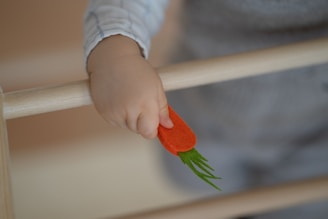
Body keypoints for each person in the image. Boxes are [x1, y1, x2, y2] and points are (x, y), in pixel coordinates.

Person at [84, 1, 328, 218]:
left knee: (300, 207)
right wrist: (117, 52)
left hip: (314, 134)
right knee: (201, 187)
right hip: (201, 112)